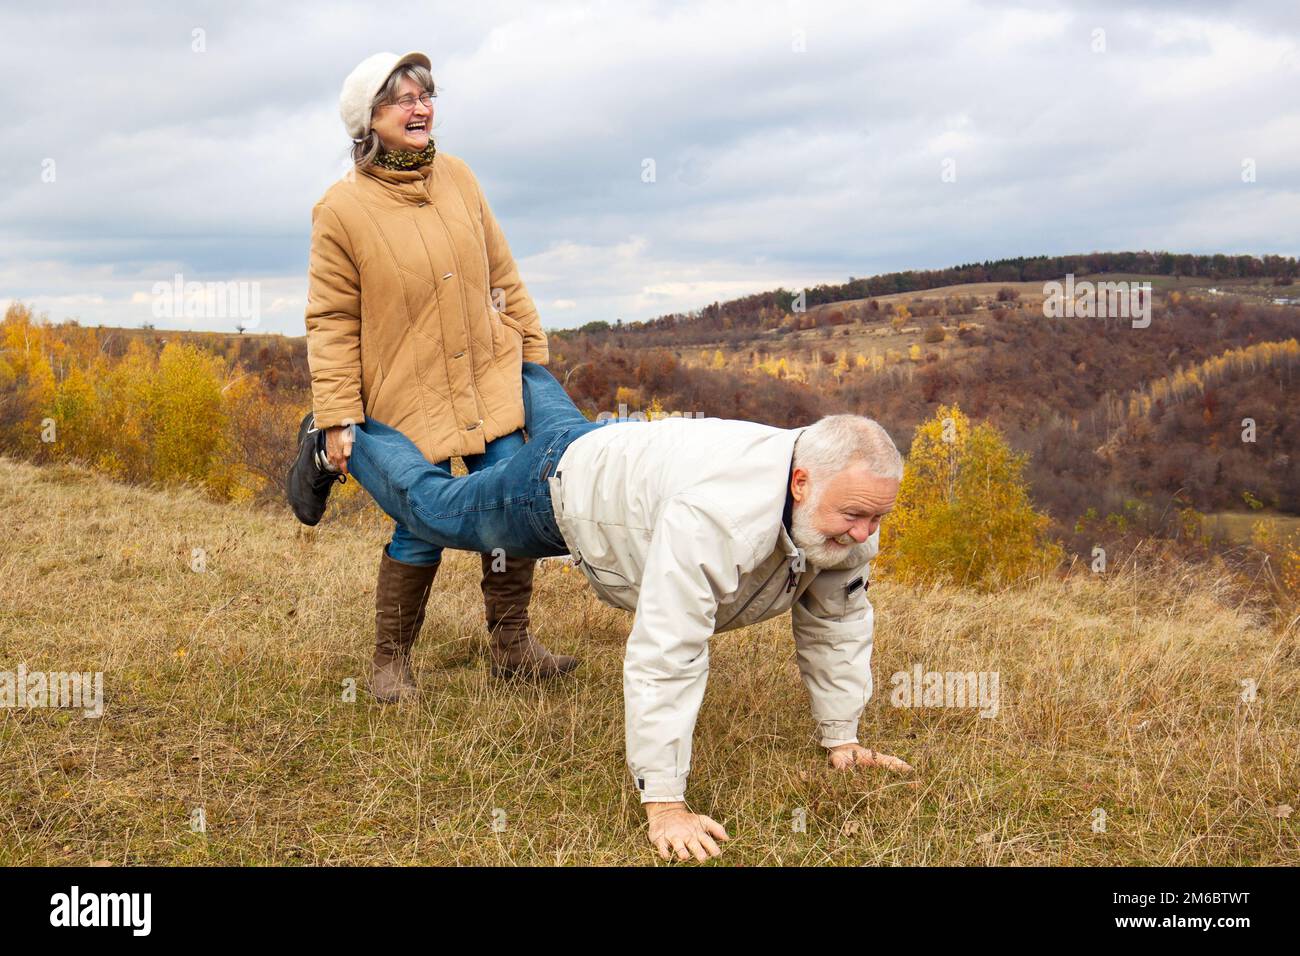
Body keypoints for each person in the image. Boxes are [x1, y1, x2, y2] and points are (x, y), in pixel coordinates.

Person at [289, 361, 914, 861]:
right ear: (801, 481)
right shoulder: (717, 519)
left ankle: (513, 349)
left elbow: (837, 622)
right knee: (434, 507)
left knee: (561, 416)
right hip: (554, 491)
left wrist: (843, 738)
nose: (863, 534)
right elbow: (668, 652)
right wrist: (665, 803)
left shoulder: (838, 516)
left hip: (608, 448)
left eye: (876, 518)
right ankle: (338, 436)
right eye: (854, 515)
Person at [295, 50, 576, 704]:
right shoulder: (340, 209)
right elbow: (331, 318)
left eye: (425, 94)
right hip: (403, 393)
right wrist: (337, 412)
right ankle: (390, 664)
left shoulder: (461, 179)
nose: (419, 108)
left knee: (512, 499)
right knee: (420, 520)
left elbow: (503, 273)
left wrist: (530, 356)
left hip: (487, 381)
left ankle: (512, 647)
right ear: (368, 120)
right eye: (401, 99)